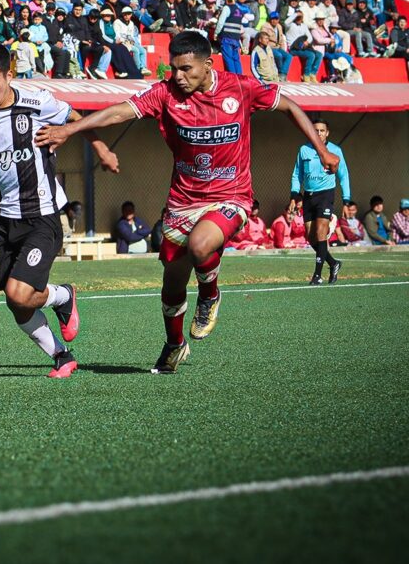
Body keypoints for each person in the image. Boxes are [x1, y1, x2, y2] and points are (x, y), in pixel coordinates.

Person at [36, 31, 341, 374]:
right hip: (183, 202)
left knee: (200, 245)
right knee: (172, 283)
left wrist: (321, 150)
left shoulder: (240, 87)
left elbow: (290, 106)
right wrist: (69, 130)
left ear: (208, 64)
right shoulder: (165, 93)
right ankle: (174, 344)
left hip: (231, 195)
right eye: (174, 69)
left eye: (186, 69)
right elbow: (120, 112)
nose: (178, 76)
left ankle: (210, 294)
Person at [0, 41, 118, 379]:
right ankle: (61, 355)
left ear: (9, 75)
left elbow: (75, 119)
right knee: (15, 302)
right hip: (2, 221)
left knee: (19, 293)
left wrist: (102, 149)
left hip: (41, 216)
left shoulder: (36, 102)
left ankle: (62, 296)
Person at [291, 118, 351, 284]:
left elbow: (344, 176)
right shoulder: (304, 150)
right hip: (308, 196)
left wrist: (346, 200)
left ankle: (317, 276)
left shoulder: (335, 151)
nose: (318, 133)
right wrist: (294, 195)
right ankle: (333, 263)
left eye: (322, 130)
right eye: (315, 130)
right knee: (311, 238)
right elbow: (297, 174)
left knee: (321, 232)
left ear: (327, 133)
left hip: (325, 195)